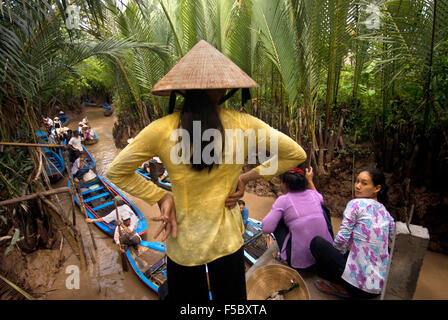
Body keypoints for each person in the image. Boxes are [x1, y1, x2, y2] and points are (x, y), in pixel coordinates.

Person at [105, 40, 307, 301]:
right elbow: (296, 154)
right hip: (228, 244)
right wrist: (246, 176)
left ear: (182, 89)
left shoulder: (161, 129)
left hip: (184, 245)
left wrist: (161, 196)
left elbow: (116, 171)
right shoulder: (244, 124)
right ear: (224, 87)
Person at [310, 168, 396, 299]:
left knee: (317, 243)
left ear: (377, 188)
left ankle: (341, 286)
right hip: (377, 288)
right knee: (382, 248)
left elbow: (341, 240)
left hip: (357, 288)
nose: (357, 186)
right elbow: (394, 240)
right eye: (357, 181)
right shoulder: (386, 212)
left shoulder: (355, 204)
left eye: (364, 183)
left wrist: (333, 258)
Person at [261, 167, 333, 271]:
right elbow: (320, 198)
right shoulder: (314, 195)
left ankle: (285, 256)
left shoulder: (283, 200)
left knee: (277, 221)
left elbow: (266, 228)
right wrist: (310, 180)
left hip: (301, 264)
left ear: (285, 184)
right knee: (323, 210)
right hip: (325, 257)